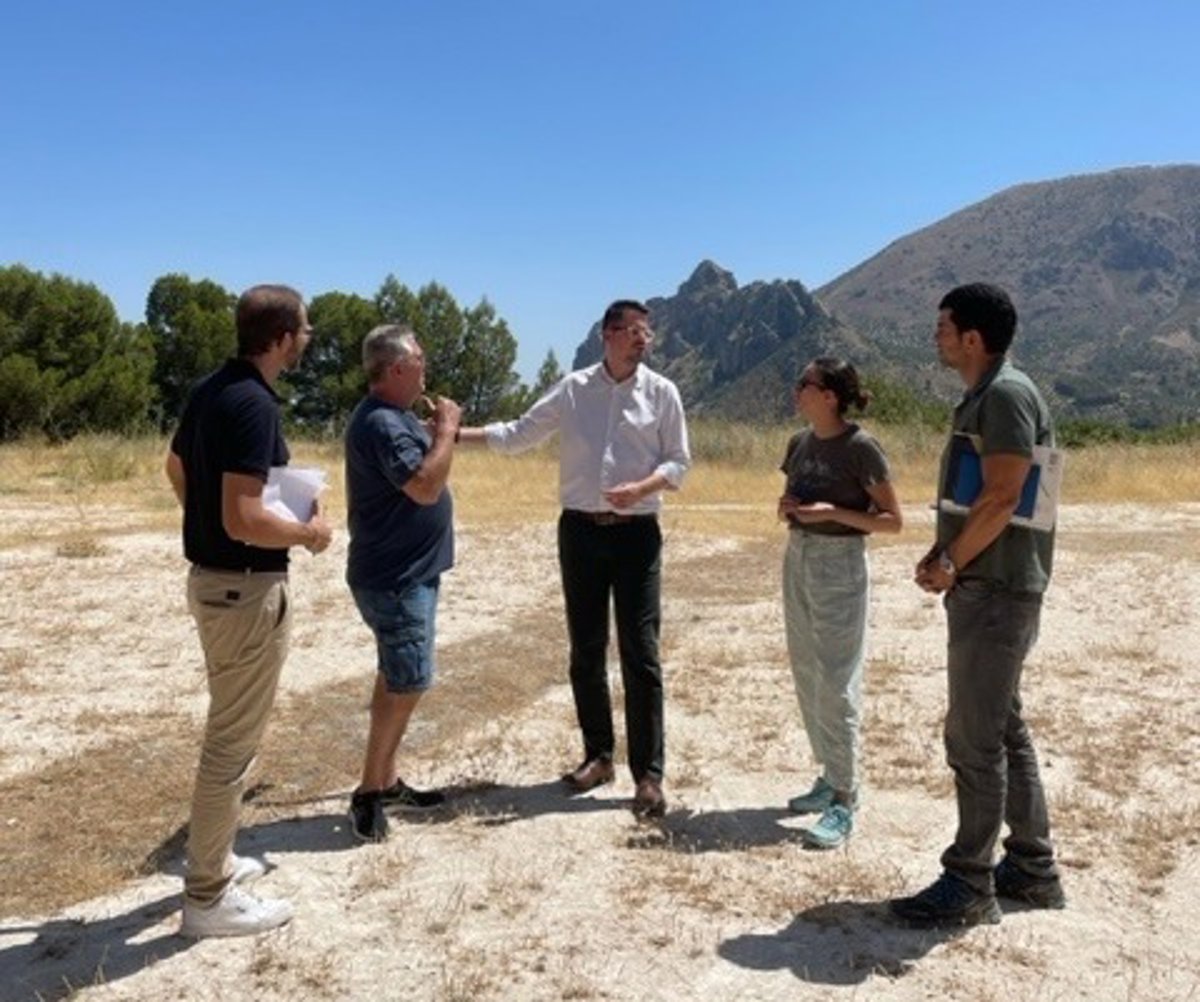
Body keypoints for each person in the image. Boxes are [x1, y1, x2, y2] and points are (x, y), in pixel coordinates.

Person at [458, 300, 690, 818]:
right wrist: (451, 436)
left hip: (637, 535)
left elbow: (679, 461)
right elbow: (518, 434)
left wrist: (644, 487)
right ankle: (599, 757)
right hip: (580, 532)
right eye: (635, 330)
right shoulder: (573, 389)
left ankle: (649, 776)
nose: (644, 340)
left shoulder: (662, 392)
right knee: (586, 649)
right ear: (609, 334)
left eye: (647, 332)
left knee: (641, 651)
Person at [891, 282, 1064, 927]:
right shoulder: (989, 393)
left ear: (972, 337)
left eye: (943, 327)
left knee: (973, 739)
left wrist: (952, 562)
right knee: (1002, 727)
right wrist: (946, 552)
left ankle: (969, 883)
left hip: (995, 589)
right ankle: (1032, 868)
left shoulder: (1006, 395)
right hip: (990, 583)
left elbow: (1003, 495)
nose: (934, 336)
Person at [166, 284, 333, 938]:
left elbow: (176, 467)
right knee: (230, 746)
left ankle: (217, 859)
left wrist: (206, 519)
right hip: (244, 591)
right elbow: (244, 518)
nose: (309, 339)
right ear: (283, 338)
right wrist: (309, 533)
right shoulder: (255, 404)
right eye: (306, 330)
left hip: (215, 584)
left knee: (228, 735)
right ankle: (208, 898)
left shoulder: (211, 389)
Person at [778, 358, 902, 850]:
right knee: (808, 672)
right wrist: (789, 508)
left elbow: (893, 521)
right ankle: (830, 775)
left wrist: (835, 513)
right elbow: (791, 497)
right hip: (798, 556)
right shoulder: (799, 443)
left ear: (829, 396)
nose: (796, 391)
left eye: (804, 383)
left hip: (840, 563)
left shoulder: (861, 447)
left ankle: (846, 798)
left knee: (836, 680)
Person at [344, 325, 461, 842]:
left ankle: (386, 779)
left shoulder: (395, 417)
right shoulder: (383, 424)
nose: (425, 367)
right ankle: (369, 793)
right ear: (396, 368)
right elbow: (425, 486)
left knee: (394, 676)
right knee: (408, 681)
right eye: (419, 359)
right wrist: (447, 431)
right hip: (396, 578)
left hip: (404, 573)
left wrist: (441, 433)